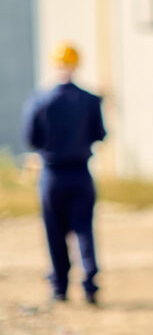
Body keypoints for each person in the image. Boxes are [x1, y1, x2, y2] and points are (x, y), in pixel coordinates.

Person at [22, 42, 106, 305]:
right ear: (77, 64)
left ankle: (59, 287)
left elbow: (31, 138)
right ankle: (90, 284)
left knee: (55, 231)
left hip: (52, 175)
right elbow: (100, 135)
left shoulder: (40, 99)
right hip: (81, 173)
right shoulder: (90, 100)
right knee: (83, 229)